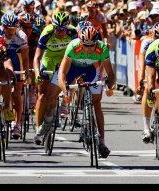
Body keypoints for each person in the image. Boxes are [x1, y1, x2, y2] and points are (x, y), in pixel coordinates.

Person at [41, 26, 115, 158]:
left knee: (97, 103)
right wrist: (65, 91)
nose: (89, 49)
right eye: (86, 45)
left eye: (92, 45)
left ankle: (102, 142)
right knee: (50, 95)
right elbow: (62, 73)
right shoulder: (72, 46)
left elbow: (110, 73)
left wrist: (110, 86)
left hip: (91, 70)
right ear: (81, 42)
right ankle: (47, 122)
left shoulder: (102, 48)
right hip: (72, 69)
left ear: (96, 42)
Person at [33, 12, 78, 144]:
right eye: (58, 29)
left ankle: (55, 112)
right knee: (42, 95)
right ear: (53, 27)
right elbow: (37, 58)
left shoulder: (73, 33)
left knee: (52, 94)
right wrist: (37, 74)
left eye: (63, 29)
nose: (61, 32)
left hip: (65, 59)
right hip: (49, 60)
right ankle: (38, 128)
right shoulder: (47, 33)